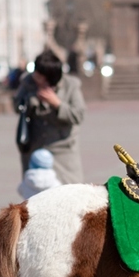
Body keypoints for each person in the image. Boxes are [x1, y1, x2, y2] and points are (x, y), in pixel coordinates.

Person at [13, 49, 85, 184]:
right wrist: (32, 100)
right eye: (36, 72)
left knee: (67, 195)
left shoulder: (71, 85)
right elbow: (17, 105)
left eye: (40, 75)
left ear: (50, 77)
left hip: (63, 150)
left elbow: (78, 115)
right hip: (35, 149)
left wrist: (56, 103)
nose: (36, 77)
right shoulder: (27, 82)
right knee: (35, 195)